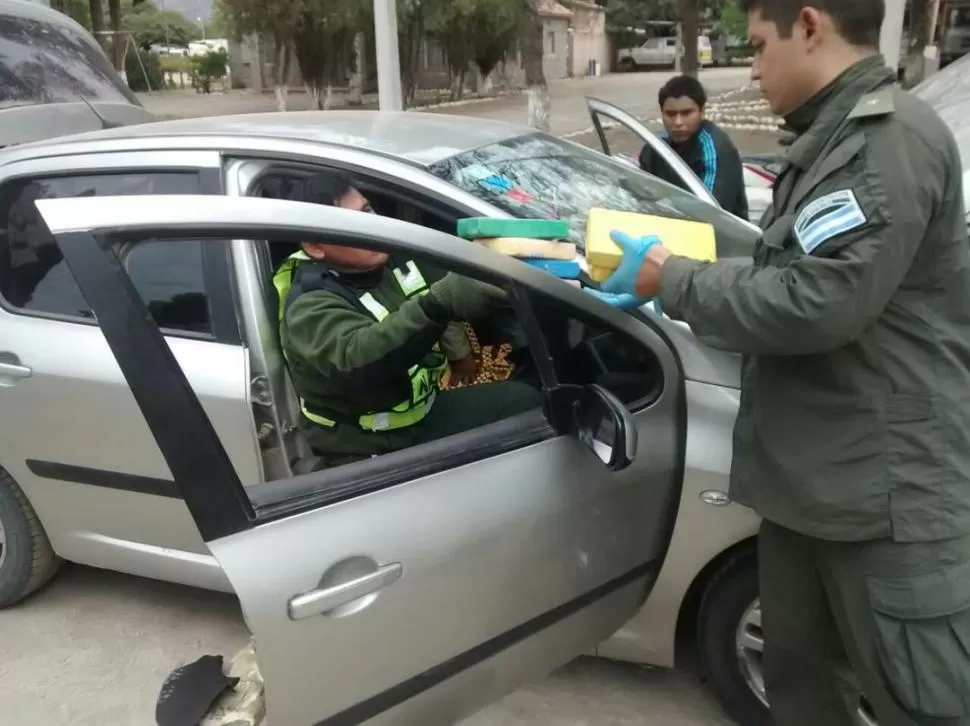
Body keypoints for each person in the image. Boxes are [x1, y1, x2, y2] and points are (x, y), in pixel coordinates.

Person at [591, 2, 970, 725]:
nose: (754, 67)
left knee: (920, 699)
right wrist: (664, 261)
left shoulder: (882, 145)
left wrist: (671, 281)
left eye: (760, 47)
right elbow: (786, 265)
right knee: (800, 686)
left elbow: (819, 302)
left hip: (884, 497)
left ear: (809, 25)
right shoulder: (827, 144)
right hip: (813, 490)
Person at [272, 172, 542, 464]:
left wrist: (460, 349)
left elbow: (441, 284)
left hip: (422, 415)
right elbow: (358, 356)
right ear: (315, 247)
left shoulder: (390, 259)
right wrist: (440, 304)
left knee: (524, 402)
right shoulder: (309, 303)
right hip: (366, 446)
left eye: (368, 211)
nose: (372, 226)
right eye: (350, 224)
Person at [638, 74, 749, 219]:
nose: (678, 122)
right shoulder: (655, 148)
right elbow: (640, 193)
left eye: (686, 113)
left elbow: (711, 212)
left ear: (702, 112)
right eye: (670, 114)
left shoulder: (714, 150)